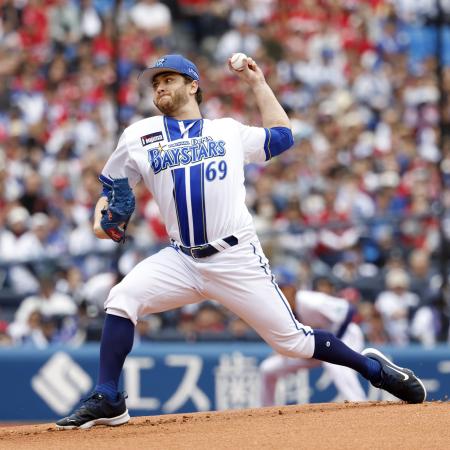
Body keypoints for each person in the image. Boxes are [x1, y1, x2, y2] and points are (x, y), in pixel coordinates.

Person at [56, 54, 426, 429]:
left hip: (235, 256)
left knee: (292, 343)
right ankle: (108, 397)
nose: (160, 87)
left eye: (168, 79)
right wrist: (100, 220)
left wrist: (258, 83)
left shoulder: (227, 132)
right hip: (181, 259)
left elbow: (282, 136)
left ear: (193, 86)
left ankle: (374, 369)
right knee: (122, 297)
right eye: (155, 83)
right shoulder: (138, 135)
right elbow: (111, 189)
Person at [260, 269, 366, 406]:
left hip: (346, 336)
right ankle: (267, 409)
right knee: (267, 368)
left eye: (282, 288)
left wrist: (335, 346)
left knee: (335, 363)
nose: (278, 292)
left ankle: (359, 403)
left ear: (292, 289)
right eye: (275, 288)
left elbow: (348, 311)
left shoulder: (311, 301)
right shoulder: (278, 309)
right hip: (315, 346)